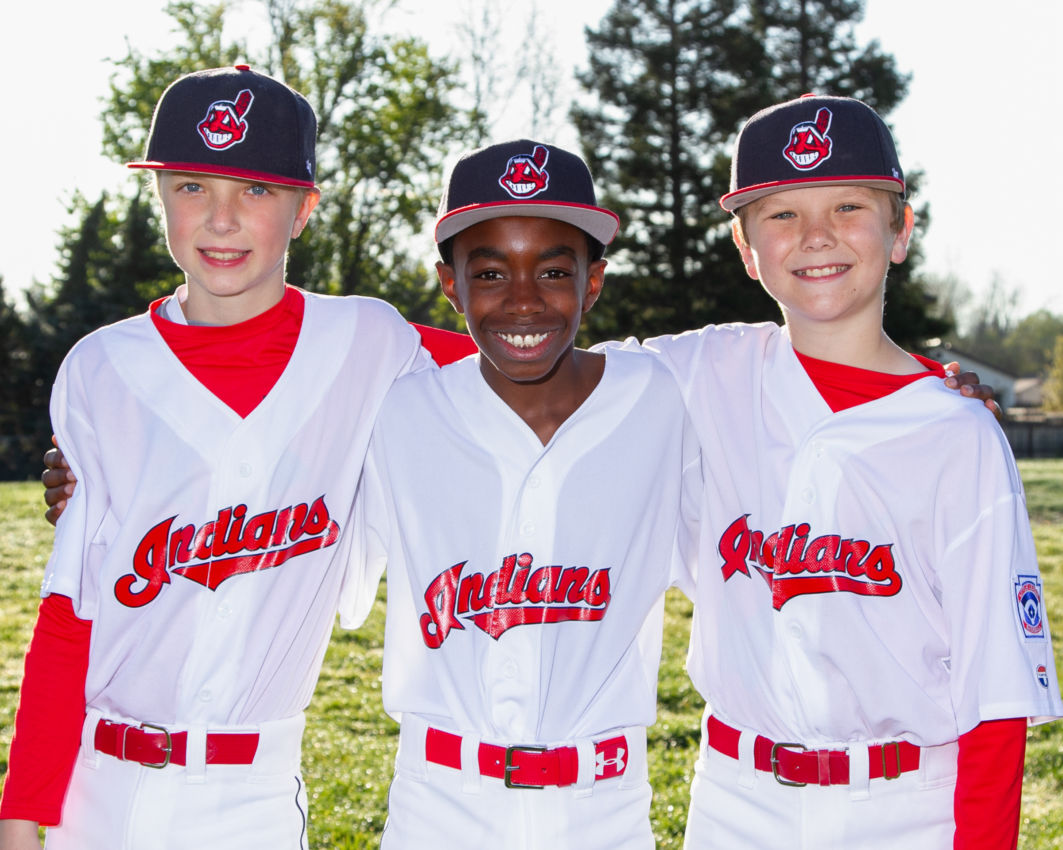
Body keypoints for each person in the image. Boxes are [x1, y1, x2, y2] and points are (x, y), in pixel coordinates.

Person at [0, 65, 456, 850]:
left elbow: (545, 365)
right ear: (161, 198)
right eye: (190, 187)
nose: (220, 219)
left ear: (304, 210)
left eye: (255, 192)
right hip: (100, 788)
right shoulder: (100, 369)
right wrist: (19, 816)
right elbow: (69, 613)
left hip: (253, 796)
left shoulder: (373, 344)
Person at [636, 94, 1063, 849]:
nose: (816, 236)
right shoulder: (704, 369)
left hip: (902, 808)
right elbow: (525, 354)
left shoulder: (956, 433)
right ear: (745, 249)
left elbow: (994, 698)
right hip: (733, 799)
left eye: (847, 206)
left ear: (900, 231)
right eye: (781, 215)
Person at [355, 139, 698, 848]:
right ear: (449, 286)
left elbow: (803, 358)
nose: (522, 299)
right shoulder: (396, 412)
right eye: (488, 272)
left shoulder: (666, 394)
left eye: (551, 270)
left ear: (592, 283)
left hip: (601, 811)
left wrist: (932, 382)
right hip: (439, 808)